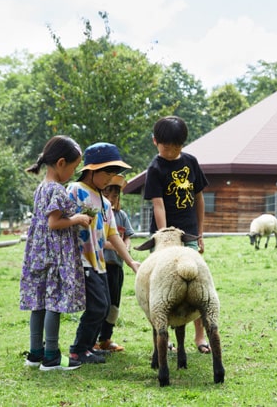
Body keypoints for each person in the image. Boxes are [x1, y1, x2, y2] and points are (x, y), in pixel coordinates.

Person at [20, 135, 90, 371]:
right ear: (61, 163)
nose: (74, 172)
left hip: (38, 254)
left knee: (38, 303)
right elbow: (54, 223)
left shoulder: (41, 188)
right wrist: (77, 219)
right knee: (53, 303)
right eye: (73, 167)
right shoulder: (57, 191)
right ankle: (51, 357)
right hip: (55, 255)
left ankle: (35, 353)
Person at [143, 115, 212, 354]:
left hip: (190, 234)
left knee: (196, 284)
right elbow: (158, 204)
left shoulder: (191, 162)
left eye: (176, 147)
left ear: (183, 144)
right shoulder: (154, 169)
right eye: (165, 147)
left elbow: (199, 198)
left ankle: (200, 336)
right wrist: (165, 238)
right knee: (159, 287)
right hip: (165, 238)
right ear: (155, 142)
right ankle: (162, 338)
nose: (171, 152)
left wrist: (200, 233)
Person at [67, 142, 141, 364]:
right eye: (108, 172)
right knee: (97, 305)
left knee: (104, 305)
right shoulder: (75, 191)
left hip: (99, 262)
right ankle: (78, 349)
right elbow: (61, 221)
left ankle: (88, 347)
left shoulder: (105, 202)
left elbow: (113, 235)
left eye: (114, 173)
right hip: (81, 260)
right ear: (91, 170)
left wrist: (130, 262)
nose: (111, 178)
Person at [95, 174, 134, 352]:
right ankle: (93, 339)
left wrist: (124, 248)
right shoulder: (98, 215)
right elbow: (100, 241)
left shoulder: (122, 216)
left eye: (115, 196)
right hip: (101, 266)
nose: (111, 200)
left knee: (114, 305)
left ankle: (106, 339)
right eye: (107, 195)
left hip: (117, 267)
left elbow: (127, 238)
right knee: (101, 304)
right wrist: (118, 247)